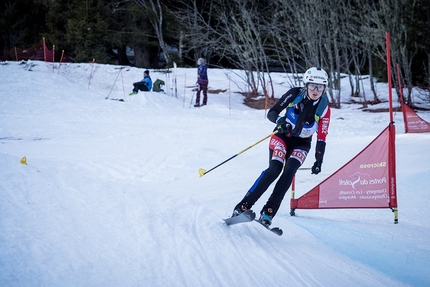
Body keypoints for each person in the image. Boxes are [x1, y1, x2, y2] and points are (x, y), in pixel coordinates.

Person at [231, 67, 331, 226]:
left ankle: (269, 212)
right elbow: (272, 112)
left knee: (289, 171)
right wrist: (280, 121)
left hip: (302, 143)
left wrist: (318, 161)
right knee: (274, 169)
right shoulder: (295, 94)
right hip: (282, 136)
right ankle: (243, 206)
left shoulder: (324, 107)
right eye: (312, 85)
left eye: (320, 86)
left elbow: (322, 137)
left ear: (324, 88)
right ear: (306, 85)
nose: (316, 90)